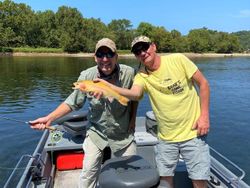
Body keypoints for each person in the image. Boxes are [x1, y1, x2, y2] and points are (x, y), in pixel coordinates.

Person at [96, 36, 210, 188]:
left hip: (193, 133)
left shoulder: (178, 60)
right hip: (165, 137)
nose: (142, 53)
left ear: (154, 46)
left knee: (199, 181)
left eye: (144, 47)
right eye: (137, 51)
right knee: (165, 180)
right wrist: (107, 86)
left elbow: (203, 84)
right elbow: (135, 94)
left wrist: (204, 116)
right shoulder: (141, 75)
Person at [29, 38, 138, 188]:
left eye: (109, 54)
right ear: (95, 57)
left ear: (116, 56)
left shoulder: (129, 73)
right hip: (96, 132)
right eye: (100, 54)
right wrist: (49, 119)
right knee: (87, 175)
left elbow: (134, 98)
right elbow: (72, 102)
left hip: (123, 133)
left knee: (130, 176)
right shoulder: (86, 76)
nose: (105, 59)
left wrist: (133, 120)